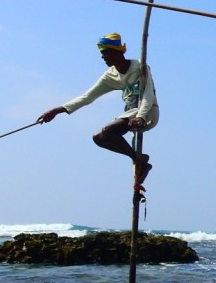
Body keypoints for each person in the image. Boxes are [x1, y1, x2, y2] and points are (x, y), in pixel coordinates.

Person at [38, 33, 158, 185]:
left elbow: (148, 95)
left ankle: (139, 158)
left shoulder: (139, 67)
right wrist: (57, 110)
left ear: (116, 52)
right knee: (99, 138)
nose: (103, 58)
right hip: (130, 114)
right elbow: (87, 96)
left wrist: (141, 116)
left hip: (147, 112)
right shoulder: (110, 76)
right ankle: (137, 158)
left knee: (108, 130)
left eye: (105, 53)